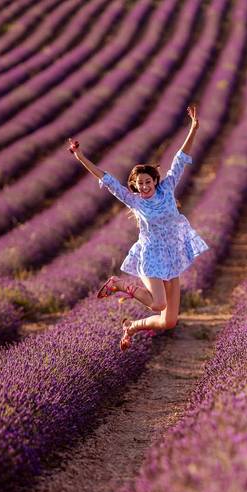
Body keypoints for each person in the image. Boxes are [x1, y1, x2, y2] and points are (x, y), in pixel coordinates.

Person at [68, 104, 208, 350]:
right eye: (139, 183)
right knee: (158, 305)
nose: (144, 186)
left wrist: (193, 128)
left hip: (171, 255)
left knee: (169, 321)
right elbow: (106, 179)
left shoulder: (166, 189)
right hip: (151, 255)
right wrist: (81, 157)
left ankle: (131, 327)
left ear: (155, 180)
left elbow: (180, 159)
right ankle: (119, 284)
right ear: (134, 186)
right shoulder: (132, 200)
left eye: (147, 181)